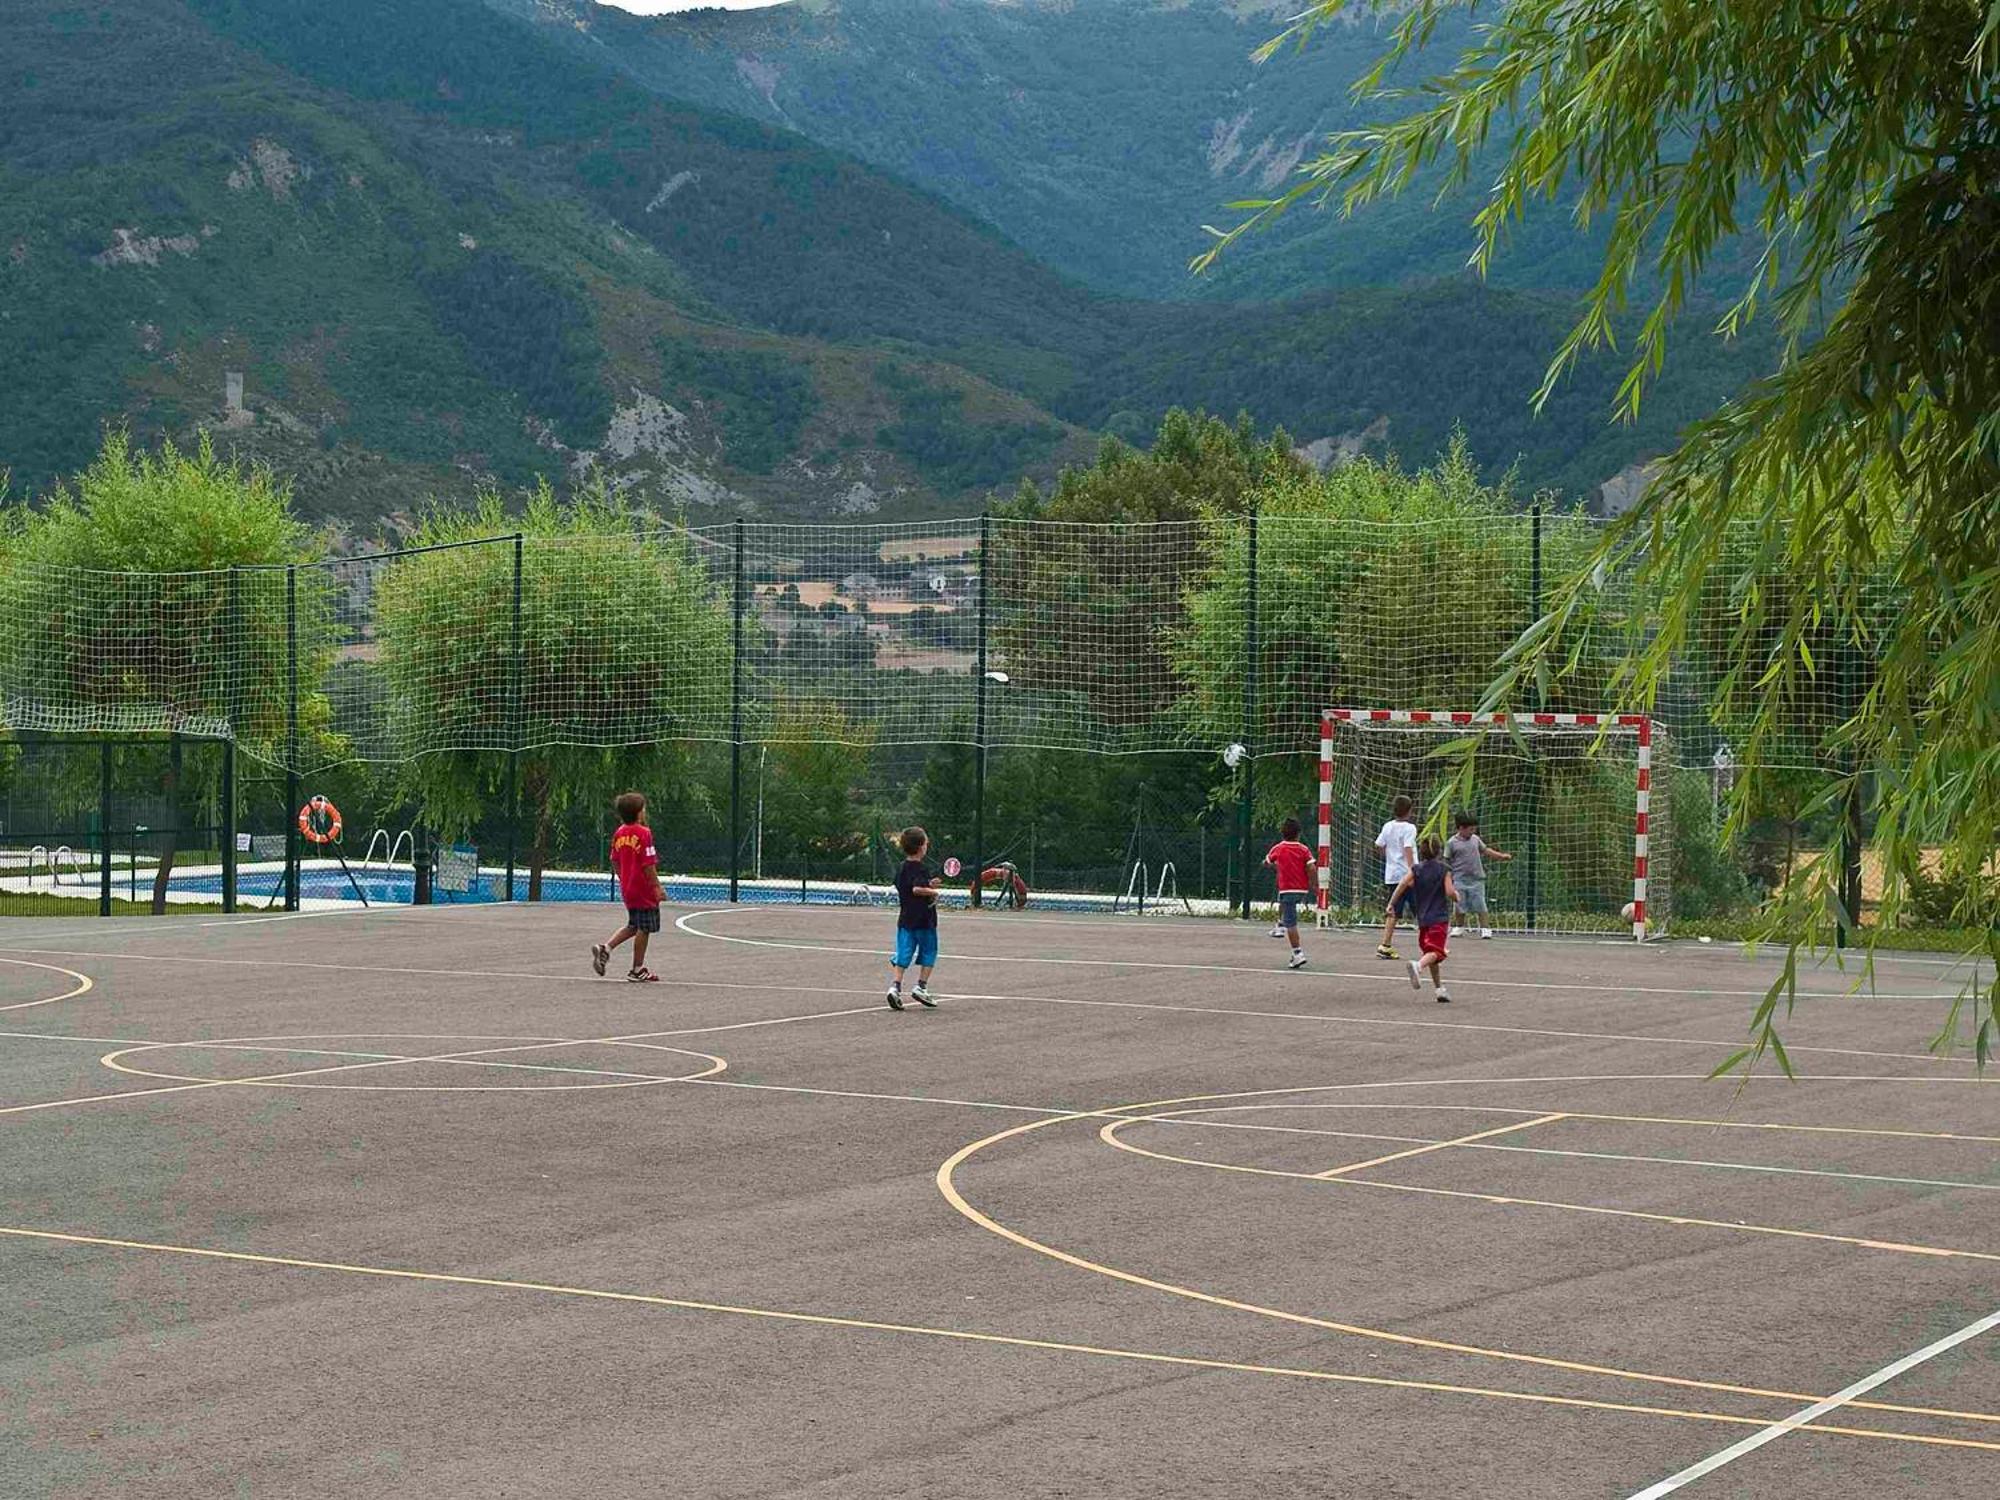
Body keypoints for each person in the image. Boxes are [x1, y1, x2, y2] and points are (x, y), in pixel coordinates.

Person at [593, 790, 663, 983]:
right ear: (639, 813)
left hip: (628, 888)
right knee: (645, 928)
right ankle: (637, 969)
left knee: (633, 925)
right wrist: (656, 887)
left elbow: (614, 860)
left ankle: (605, 948)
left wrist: (624, 879)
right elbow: (648, 864)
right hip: (643, 889)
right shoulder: (644, 833)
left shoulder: (620, 833)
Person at [1390, 835, 1458, 1002]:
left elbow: (1402, 884)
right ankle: (1418, 966)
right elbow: (1449, 892)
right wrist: (1456, 896)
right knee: (1437, 952)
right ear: (1439, 851)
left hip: (1423, 918)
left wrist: (1392, 903)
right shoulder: (1444, 869)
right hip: (1439, 918)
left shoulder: (1416, 869)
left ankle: (1439, 989)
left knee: (1431, 953)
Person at [887, 825, 942, 1011]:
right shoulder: (920, 868)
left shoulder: (902, 868)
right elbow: (916, 889)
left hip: (905, 919)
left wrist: (927, 883)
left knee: (903, 953)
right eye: (926, 843)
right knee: (929, 952)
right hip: (924, 920)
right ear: (921, 847)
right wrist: (932, 891)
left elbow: (906, 885)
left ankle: (895, 986)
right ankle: (921, 986)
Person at [1445, 813, 1513, 939]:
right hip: (1459, 879)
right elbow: (1447, 860)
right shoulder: (1451, 843)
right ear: (1461, 828)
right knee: (1460, 905)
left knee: (1480, 904)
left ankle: (1485, 928)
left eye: (1474, 829)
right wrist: (1448, 877)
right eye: (1470, 829)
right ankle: (1459, 927)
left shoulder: (1475, 839)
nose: (1473, 832)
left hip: (1477, 879)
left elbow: (1486, 850)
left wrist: (1501, 856)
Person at [1264, 817, 1314, 970]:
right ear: (1298, 834)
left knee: (1291, 922)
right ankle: (1279, 925)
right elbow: (1311, 868)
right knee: (1283, 903)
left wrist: (1274, 865)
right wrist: (1314, 884)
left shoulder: (1278, 848)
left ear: (1282, 833)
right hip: (1301, 888)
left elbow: (1267, 862)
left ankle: (1297, 953)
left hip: (1287, 888)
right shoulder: (1304, 849)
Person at [1374, 794, 1419, 959]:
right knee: (1421, 910)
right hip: (1406, 874)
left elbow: (1378, 845)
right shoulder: (1410, 828)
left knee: (1394, 910)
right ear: (1409, 811)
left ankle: (1385, 944)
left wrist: (1389, 857)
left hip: (1392, 875)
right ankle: (1432, 944)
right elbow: (1408, 848)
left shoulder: (1387, 826)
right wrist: (1412, 871)